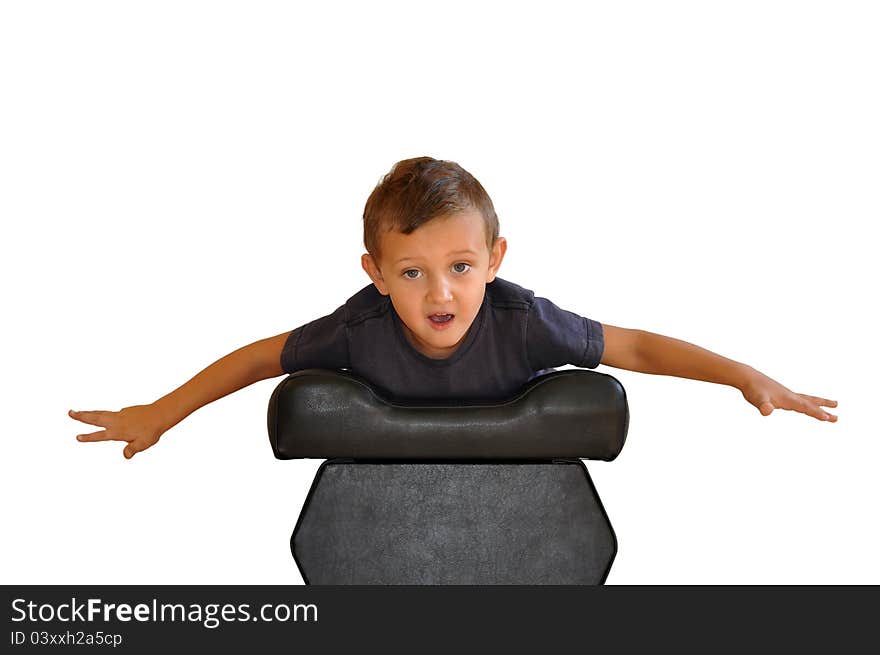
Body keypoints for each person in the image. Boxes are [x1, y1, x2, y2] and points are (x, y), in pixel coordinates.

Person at [69, 156, 838, 459]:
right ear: (376, 274)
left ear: (494, 261)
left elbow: (631, 346)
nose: (441, 293)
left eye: (461, 267)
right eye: (412, 271)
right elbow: (258, 358)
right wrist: (161, 411)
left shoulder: (521, 320)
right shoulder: (358, 328)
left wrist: (745, 375)